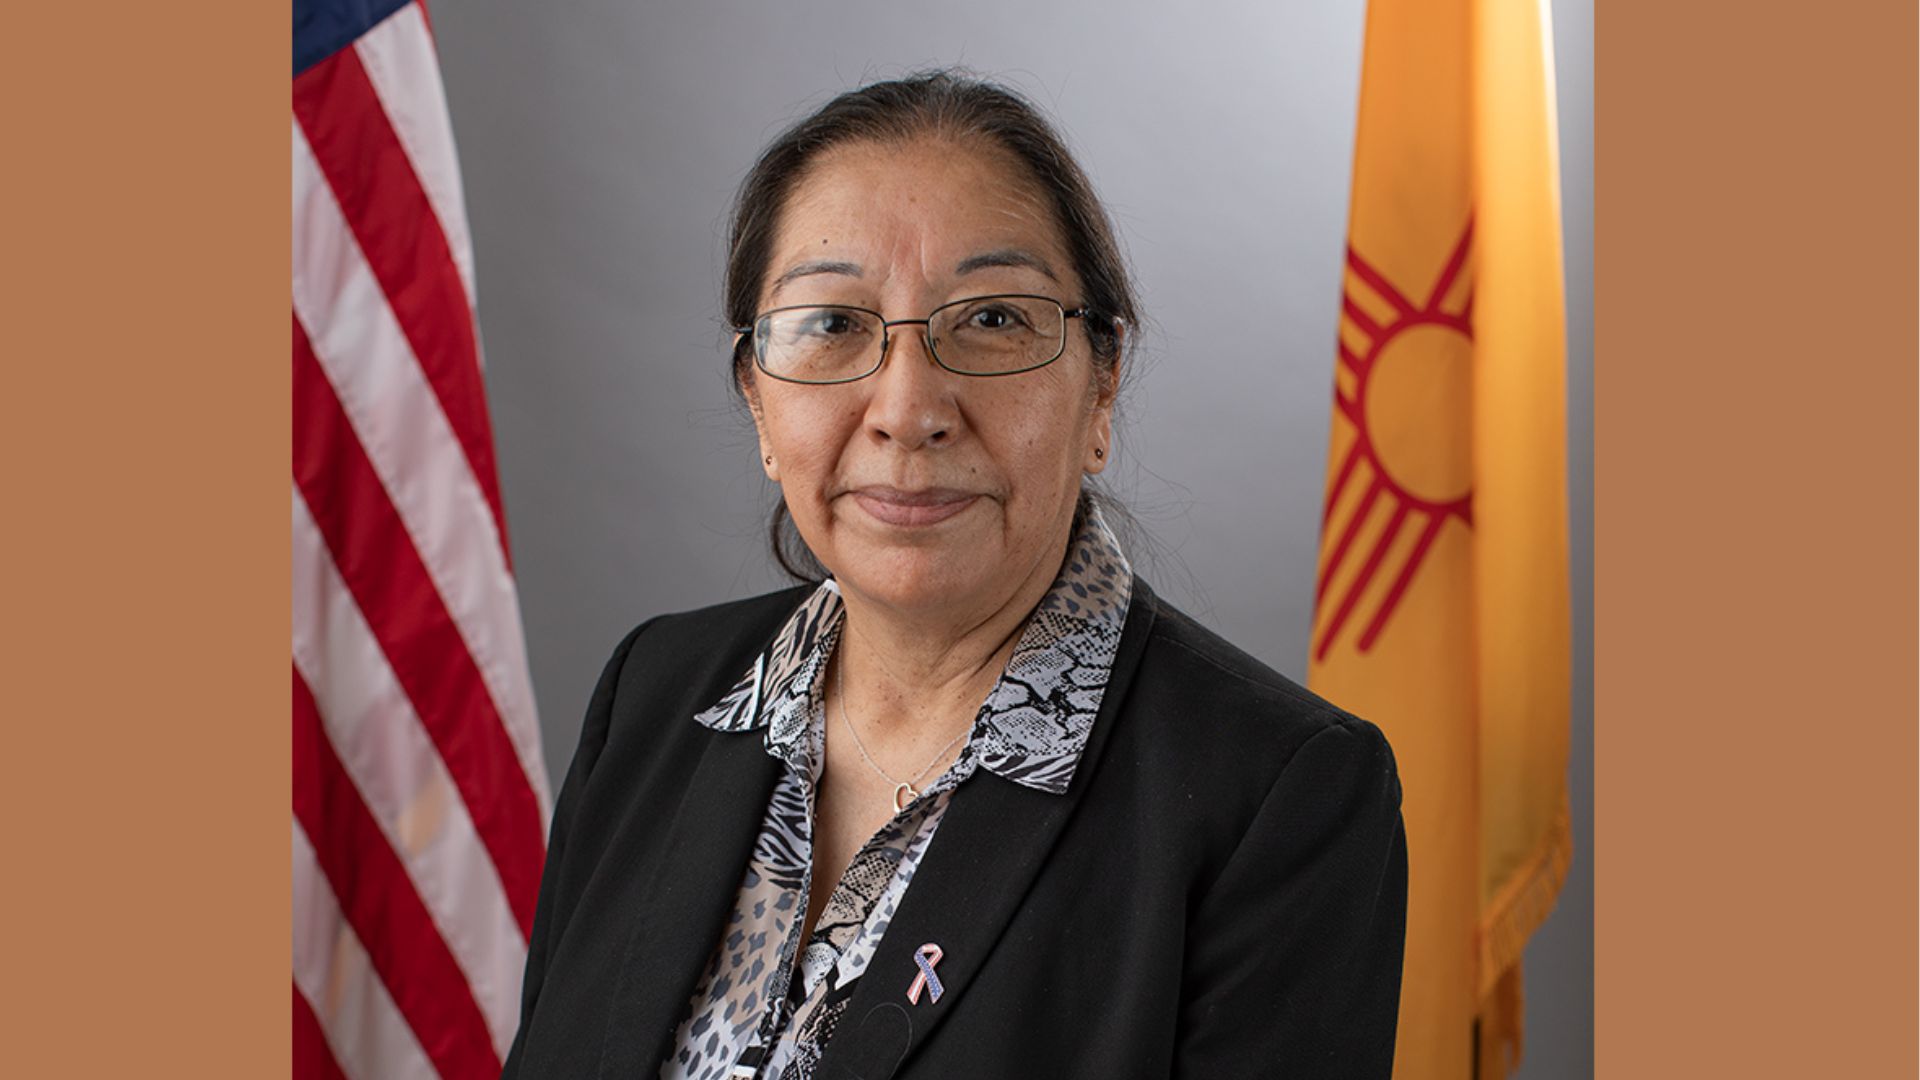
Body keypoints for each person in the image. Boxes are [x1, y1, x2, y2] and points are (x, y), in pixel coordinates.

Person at [501, 70, 1407, 1080]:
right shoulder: (658, 696)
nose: (907, 408)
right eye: (833, 324)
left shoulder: (1279, 798)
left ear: (1101, 381)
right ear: (757, 398)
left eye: (990, 320)